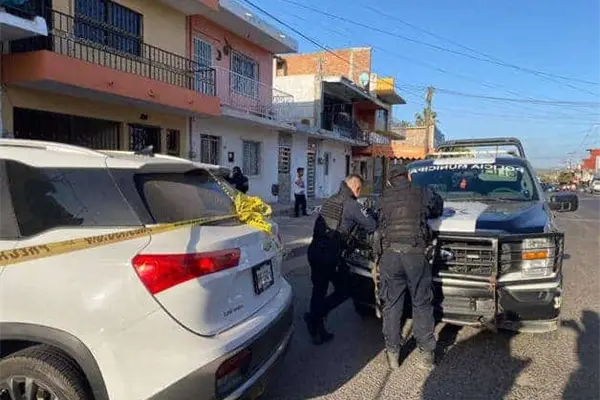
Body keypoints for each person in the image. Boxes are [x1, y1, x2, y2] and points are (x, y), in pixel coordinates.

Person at [376, 164, 444, 370]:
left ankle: (393, 354)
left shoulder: (383, 196)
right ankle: (427, 354)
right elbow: (437, 207)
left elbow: (378, 221)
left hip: (390, 256)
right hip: (415, 254)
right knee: (421, 303)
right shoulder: (421, 192)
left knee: (392, 304)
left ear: (390, 181)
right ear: (409, 177)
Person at [304, 174, 377, 345]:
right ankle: (315, 316)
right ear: (356, 188)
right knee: (346, 289)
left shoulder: (331, 200)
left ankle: (316, 325)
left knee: (319, 290)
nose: (359, 193)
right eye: (359, 190)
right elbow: (372, 225)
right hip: (330, 256)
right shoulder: (352, 205)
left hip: (315, 251)